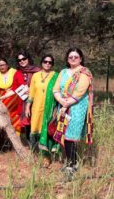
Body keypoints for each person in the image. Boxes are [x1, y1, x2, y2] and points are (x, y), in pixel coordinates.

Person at [53, 47, 93, 177]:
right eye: (71, 57)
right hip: (63, 106)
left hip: (77, 107)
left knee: (72, 135)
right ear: (67, 59)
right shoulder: (63, 72)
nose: (73, 59)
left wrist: (66, 104)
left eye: (76, 57)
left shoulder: (84, 73)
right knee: (64, 134)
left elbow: (80, 92)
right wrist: (61, 101)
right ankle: (69, 162)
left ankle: (73, 164)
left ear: (81, 59)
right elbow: (56, 89)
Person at [25, 54, 59, 165]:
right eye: (45, 61)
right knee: (36, 131)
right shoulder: (35, 76)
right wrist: (27, 106)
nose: (47, 64)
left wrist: (56, 110)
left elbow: (59, 92)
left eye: (50, 62)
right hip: (36, 109)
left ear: (52, 64)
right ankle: (36, 154)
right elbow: (32, 92)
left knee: (46, 131)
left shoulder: (56, 76)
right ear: (42, 62)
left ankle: (47, 158)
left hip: (50, 110)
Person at [0, 51, 40, 135]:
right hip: (24, 103)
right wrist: (1, 98)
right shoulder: (17, 73)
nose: (22, 61)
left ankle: (40, 145)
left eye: (24, 58)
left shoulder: (37, 71)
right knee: (28, 126)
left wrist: (31, 90)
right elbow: (14, 89)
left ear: (28, 59)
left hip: (37, 102)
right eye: (19, 60)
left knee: (37, 124)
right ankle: (31, 147)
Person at [0, 58, 21, 132]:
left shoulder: (14, 72)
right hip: (2, 101)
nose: (2, 67)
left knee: (15, 120)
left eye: (3, 65)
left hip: (14, 102)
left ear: (7, 65)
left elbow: (18, 84)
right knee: (3, 119)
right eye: (0, 65)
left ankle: (16, 139)